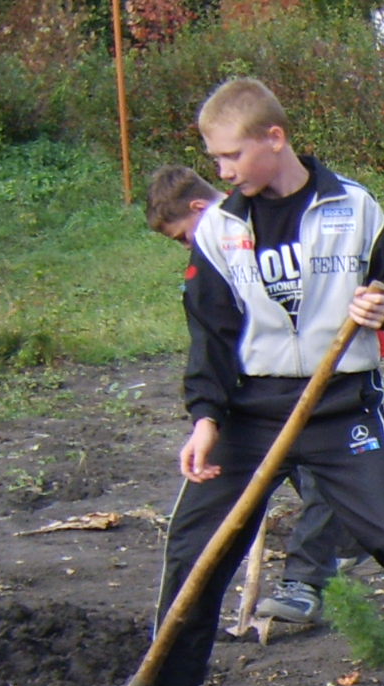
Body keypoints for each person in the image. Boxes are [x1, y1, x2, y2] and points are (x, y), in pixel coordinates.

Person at [86, 81, 384, 686]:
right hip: (249, 414)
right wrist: (205, 420)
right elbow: (210, 334)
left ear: (273, 139)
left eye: (230, 156)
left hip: (339, 407)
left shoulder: (350, 206)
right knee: (196, 545)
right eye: (215, 160)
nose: (221, 172)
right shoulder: (218, 229)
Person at [143, 164, 363, 630]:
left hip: (318, 378)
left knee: (323, 475)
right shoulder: (214, 258)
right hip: (252, 395)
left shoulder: (265, 226)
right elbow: (213, 337)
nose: (187, 247)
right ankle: (350, 534)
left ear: (200, 209)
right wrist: (208, 412)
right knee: (297, 485)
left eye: (184, 236)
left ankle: (306, 581)